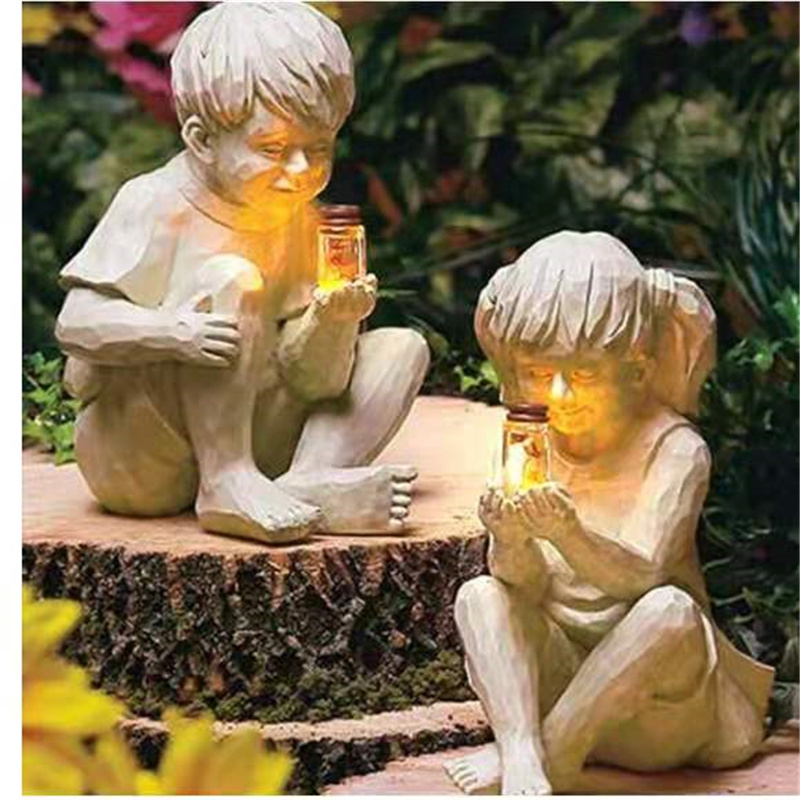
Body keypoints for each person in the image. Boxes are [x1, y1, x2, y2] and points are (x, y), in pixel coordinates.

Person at [55, 2, 429, 544]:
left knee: (401, 348)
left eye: (319, 147)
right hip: (143, 455)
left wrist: (331, 321)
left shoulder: (302, 220)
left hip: (258, 440)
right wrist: (174, 332)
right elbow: (76, 323)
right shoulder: (155, 203)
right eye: (272, 148)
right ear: (202, 140)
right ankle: (225, 482)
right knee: (231, 278)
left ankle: (309, 482)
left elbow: (315, 382)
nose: (301, 171)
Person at [445, 231, 773, 795]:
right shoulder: (529, 443)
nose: (559, 394)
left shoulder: (676, 450)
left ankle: (556, 755)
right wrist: (512, 540)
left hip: (655, 708)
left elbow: (642, 575)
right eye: (538, 373)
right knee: (480, 597)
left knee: (670, 612)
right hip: (561, 682)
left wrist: (566, 531)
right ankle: (521, 747)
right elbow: (524, 585)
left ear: (638, 371)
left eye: (584, 374)